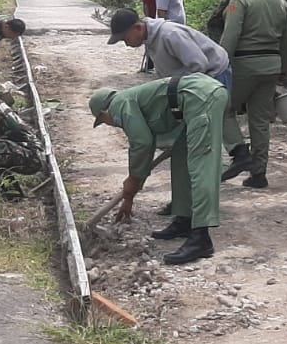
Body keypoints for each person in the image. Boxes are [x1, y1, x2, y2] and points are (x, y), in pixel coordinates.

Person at [89, 73, 228, 265]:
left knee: (200, 165)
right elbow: (151, 138)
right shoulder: (130, 99)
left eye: (104, 121)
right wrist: (134, 185)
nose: (111, 125)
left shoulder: (119, 105)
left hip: (201, 97)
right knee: (181, 159)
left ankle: (201, 237)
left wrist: (133, 180)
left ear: (104, 112)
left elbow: (142, 143)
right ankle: (184, 220)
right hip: (196, 98)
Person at [218, 0, 287, 188]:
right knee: (259, 121)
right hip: (272, 65)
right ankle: (259, 173)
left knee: (222, 108)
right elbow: (286, 41)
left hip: (244, 64)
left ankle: (239, 153)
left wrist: (218, 64)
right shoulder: (281, 2)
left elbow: (230, 35)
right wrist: (284, 68)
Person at [140, 0, 172, 72]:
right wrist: (149, 18)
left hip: (167, 22)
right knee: (151, 44)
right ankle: (149, 65)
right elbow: (145, 4)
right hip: (154, 20)